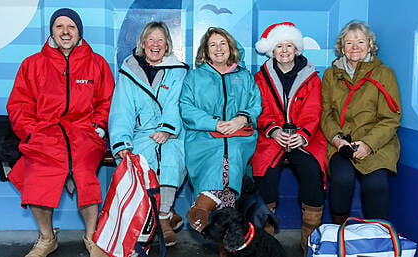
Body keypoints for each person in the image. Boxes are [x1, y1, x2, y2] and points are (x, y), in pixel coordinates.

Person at [6, 8, 114, 257]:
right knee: (37, 176)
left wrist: (98, 128)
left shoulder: (97, 63)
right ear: (52, 32)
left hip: (84, 133)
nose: (65, 32)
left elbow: (108, 102)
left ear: (79, 32)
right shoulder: (32, 64)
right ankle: (47, 238)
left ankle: (91, 236)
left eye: (71, 27)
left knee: (84, 174)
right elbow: (19, 105)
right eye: (59, 26)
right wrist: (31, 133)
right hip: (44, 133)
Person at [108, 21, 188, 247]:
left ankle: (162, 217)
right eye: (151, 40)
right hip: (140, 132)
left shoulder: (178, 71)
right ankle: (151, 215)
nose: (155, 44)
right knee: (141, 158)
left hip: (172, 131)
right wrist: (122, 141)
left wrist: (167, 128)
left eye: (160, 40)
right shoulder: (129, 70)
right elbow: (121, 108)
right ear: (143, 44)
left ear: (167, 45)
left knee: (172, 155)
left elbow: (177, 103)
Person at [251, 22, 328, 253]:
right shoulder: (261, 77)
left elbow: (314, 109)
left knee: (313, 171)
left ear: (297, 50)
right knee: (265, 174)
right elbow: (260, 110)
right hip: (271, 138)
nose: (284, 50)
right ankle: (265, 242)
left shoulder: (312, 76)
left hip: (306, 138)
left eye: (289, 45)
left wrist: (302, 135)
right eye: (279, 46)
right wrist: (274, 130)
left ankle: (309, 242)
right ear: (271, 51)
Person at [180, 27, 262, 234]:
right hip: (204, 135)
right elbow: (186, 107)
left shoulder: (244, 76)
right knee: (220, 152)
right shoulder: (194, 77)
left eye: (223, 43)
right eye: (212, 45)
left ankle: (203, 206)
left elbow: (256, 104)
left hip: (239, 136)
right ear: (205, 51)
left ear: (231, 47)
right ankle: (225, 226)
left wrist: (242, 119)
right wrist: (214, 123)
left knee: (231, 150)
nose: (218, 48)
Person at [320, 20, 401, 224]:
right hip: (342, 143)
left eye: (360, 42)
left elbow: (390, 118)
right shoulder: (330, 75)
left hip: (376, 143)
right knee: (341, 180)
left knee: (376, 185)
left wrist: (368, 144)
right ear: (341, 47)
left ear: (370, 45)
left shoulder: (384, 73)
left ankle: (377, 234)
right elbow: (326, 114)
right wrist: (337, 140)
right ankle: (340, 232)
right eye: (349, 42)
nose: (355, 47)